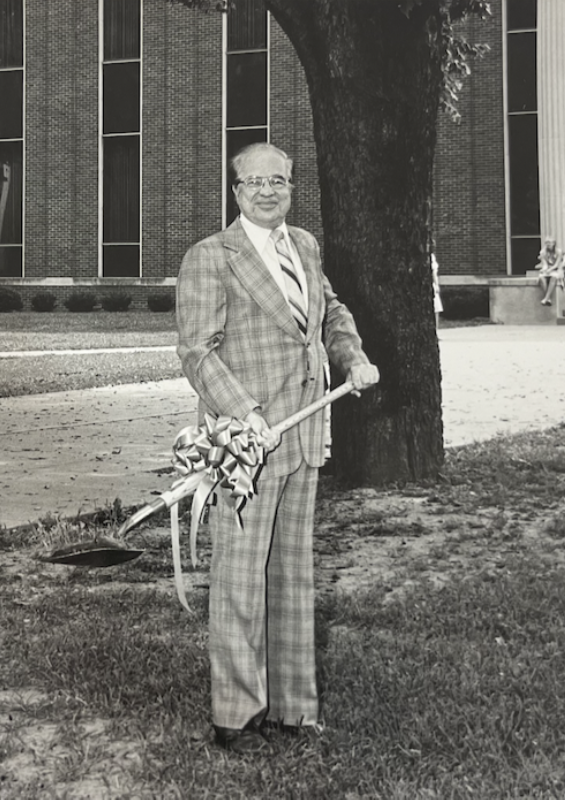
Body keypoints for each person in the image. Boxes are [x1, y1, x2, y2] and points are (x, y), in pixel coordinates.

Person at [176, 142, 379, 755]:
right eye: (254, 182)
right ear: (235, 191)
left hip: (305, 435)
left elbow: (331, 312)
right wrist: (247, 413)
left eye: (279, 181)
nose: (267, 191)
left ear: (292, 187)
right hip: (247, 445)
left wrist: (353, 356)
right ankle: (236, 715)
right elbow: (196, 351)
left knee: (292, 575)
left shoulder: (306, 246)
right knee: (240, 578)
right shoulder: (211, 256)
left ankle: (293, 708)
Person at [535, 237, 563, 306]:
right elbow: (545, 264)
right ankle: (548, 298)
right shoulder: (543, 252)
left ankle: (546, 298)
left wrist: (550, 269)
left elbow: (557, 264)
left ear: (554, 244)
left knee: (553, 277)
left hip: (557, 269)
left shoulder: (559, 251)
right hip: (548, 269)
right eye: (546, 243)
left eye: (549, 243)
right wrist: (544, 269)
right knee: (541, 278)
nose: (548, 244)